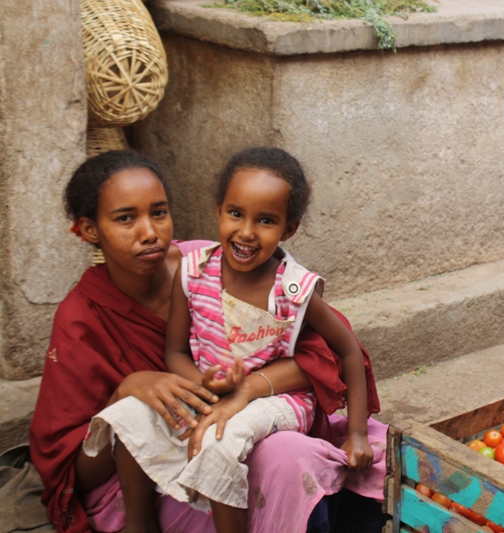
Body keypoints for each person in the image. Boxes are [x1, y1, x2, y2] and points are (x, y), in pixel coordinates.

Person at [29, 150, 386, 533]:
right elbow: (74, 471)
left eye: (159, 212)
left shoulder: (211, 263)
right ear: (89, 229)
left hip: (250, 418)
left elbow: (327, 354)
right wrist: (126, 392)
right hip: (153, 463)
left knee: (297, 456)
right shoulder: (83, 317)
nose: (149, 231)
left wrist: (247, 388)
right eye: (125, 218)